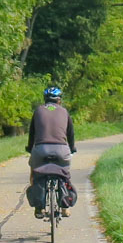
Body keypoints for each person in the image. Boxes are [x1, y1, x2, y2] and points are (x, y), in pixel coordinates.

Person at [26, 85, 76, 215]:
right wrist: (72, 148)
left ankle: (39, 207)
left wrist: (30, 148)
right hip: (61, 150)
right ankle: (65, 207)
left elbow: (32, 133)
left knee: (36, 172)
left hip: (41, 149)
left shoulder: (38, 111)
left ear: (45, 99)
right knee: (65, 174)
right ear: (59, 100)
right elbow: (70, 133)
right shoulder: (64, 112)